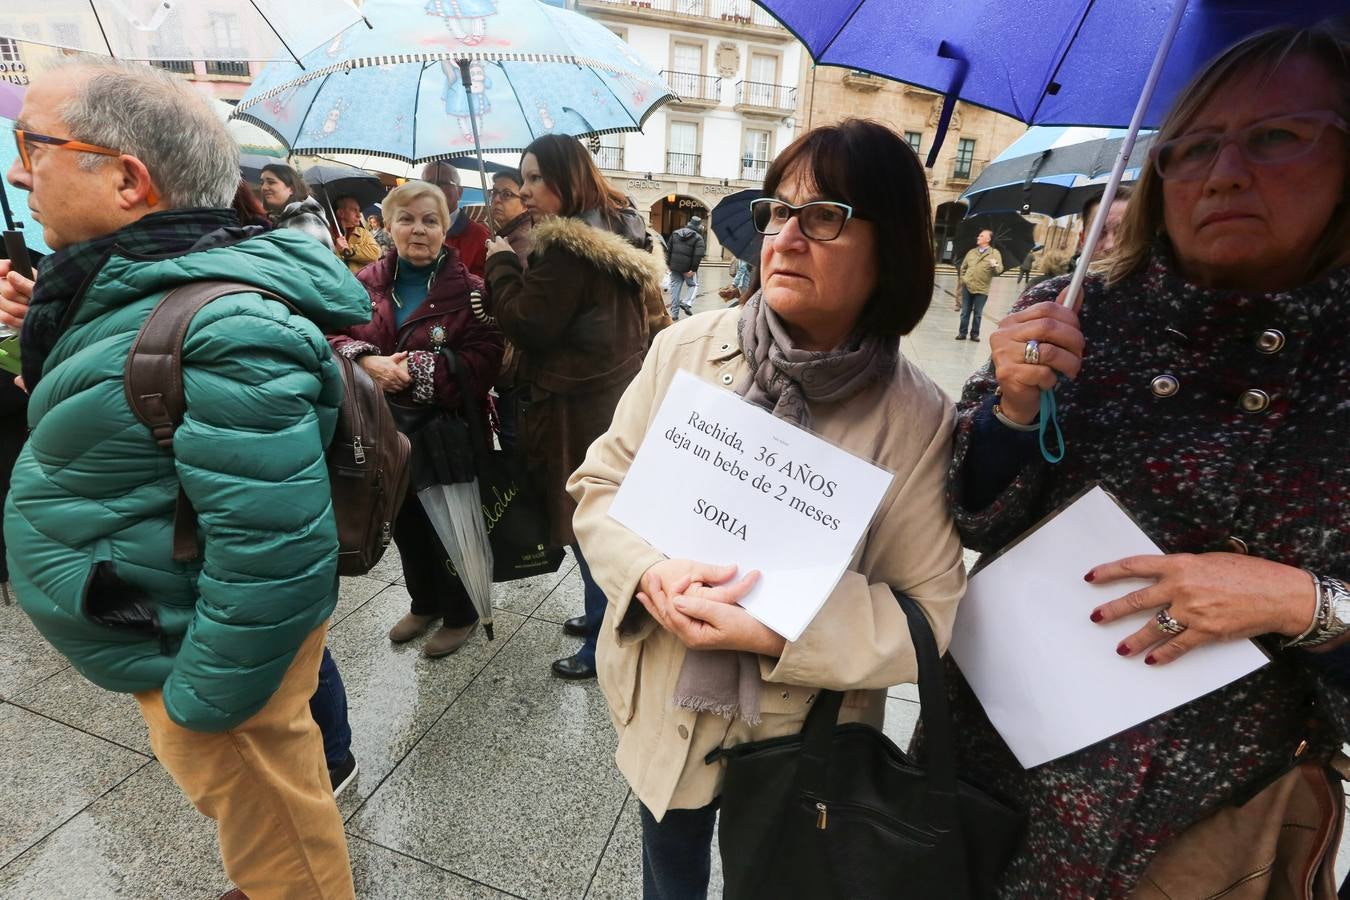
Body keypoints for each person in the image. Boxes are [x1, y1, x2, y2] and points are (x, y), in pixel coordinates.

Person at [945, 23, 1350, 898]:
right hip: (989, 763)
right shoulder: (1079, 308)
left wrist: (1301, 601)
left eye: (1276, 136)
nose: (1224, 171)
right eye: (1192, 147)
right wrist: (1014, 408)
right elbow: (973, 513)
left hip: (1206, 828)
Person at [567, 119, 965, 898]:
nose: (785, 237)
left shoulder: (917, 418)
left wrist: (782, 626)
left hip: (803, 735)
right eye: (777, 211)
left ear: (893, 248)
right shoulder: (687, 347)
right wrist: (650, 575)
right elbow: (598, 486)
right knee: (669, 871)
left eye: (824, 217)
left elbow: (929, 614)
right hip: (664, 694)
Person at [5, 60, 369, 898]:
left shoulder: (227, 324)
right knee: (261, 824)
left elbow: (274, 551)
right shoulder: (143, 285)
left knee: (285, 834)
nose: (22, 170)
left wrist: (208, 698)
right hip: (168, 625)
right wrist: (48, 334)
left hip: (205, 655)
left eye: (36, 144)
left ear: (129, 180)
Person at [482, 133, 668, 681]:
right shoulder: (618, 227)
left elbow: (529, 324)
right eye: (525, 178)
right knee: (609, 514)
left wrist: (501, 267)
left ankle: (602, 640)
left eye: (537, 177)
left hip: (577, 405)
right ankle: (599, 615)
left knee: (589, 521)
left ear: (566, 177)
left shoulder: (563, 247)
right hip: (617, 396)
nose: (527, 189)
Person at [329, 180, 504, 658]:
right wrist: (366, 361)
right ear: (386, 227)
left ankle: (462, 611)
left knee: (450, 524)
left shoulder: (471, 290)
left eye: (430, 220)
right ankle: (423, 602)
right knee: (403, 522)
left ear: (446, 228)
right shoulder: (361, 285)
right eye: (406, 219)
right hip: (385, 430)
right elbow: (329, 337)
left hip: (446, 432)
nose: (418, 229)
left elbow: (487, 357)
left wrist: (416, 371)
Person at [486, 168, 534, 451]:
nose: (497, 201)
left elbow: (517, 308)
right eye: (494, 193)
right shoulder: (508, 237)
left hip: (518, 369)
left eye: (507, 194)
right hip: (511, 368)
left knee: (515, 447)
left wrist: (501, 262)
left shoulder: (523, 243)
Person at [421, 160, 490, 277]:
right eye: (428, 184)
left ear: (459, 192)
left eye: (443, 183)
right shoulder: (413, 232)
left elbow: (481, 289)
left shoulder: (480, 237)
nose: (435, 190)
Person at [1071, 184, 1134, 269]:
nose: (1110, 246)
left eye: (1124, 233)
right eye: (1099, 233)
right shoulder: (1068, 282)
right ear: (1082, 239)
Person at [955, 227, 1002, 340]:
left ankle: (975, 334)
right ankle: (962, 333)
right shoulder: (972, 252)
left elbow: (999, 270)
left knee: (978, 314)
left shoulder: (994, 253)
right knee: (965, 312)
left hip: (982, 288)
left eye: (981, 236)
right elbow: (963, 267)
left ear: (988, 239)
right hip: (967, 286)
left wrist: (994, 266)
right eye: (979, 235)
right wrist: (963, 279)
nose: (978, 237)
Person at [665, 214, 706, 320]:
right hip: (688, 268)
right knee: (694, 285)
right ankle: (686, 302)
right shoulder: (698, 238)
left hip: (674, 267)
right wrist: (693, 269)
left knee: (675, 289)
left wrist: (668, 264)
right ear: (698, 226)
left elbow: (668, 250)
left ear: (689, 223)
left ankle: (674, 314)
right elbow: (698, 255)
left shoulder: (675, 233)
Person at [333, 194, 382, 274]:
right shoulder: (328, 234)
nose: (359, 215)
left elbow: (376, 253)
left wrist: (347, 249)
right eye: (354, 210)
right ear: (341, 213)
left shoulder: (362, 233)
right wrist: (336, 250)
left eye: (359, 211)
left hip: (362, 283)